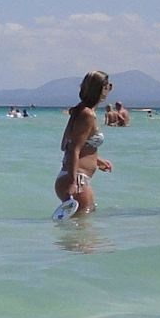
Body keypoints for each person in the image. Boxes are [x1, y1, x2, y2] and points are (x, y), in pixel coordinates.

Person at [53, 70, 114, 219]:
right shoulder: (87, 114)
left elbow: (65, 145)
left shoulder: (79, 111)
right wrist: (73, 182)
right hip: (77, 179)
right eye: (109, 85)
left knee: (81, 225)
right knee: (83, 227)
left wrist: (96, 160)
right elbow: (74, 149)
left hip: (72, 177)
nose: (110, 89)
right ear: (100, 89)